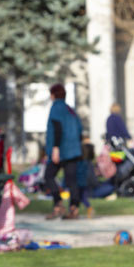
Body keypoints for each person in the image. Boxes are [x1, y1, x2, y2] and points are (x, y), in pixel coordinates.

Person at [43, 84, 83, 219]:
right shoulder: (70, 110)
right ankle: (74, 208)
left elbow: (57, 128)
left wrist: (55, 148)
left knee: (48, 175)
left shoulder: (56, 108)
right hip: (73, 150)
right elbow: (80, 129)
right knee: (72, 180)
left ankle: (58, 204)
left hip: (61, 150)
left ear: (53, 95)